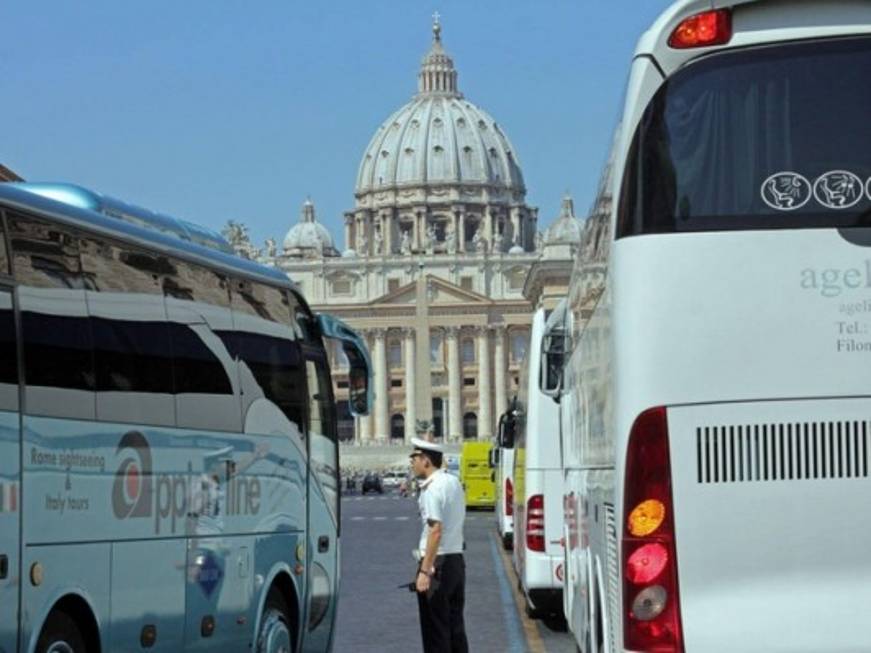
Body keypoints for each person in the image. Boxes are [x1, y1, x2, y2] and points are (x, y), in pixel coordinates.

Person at [409, 437, 468, 653]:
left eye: (414, 458)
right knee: (455, 627)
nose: (411, 463)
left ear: (425, 460)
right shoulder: (453, 482)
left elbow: (435, 531)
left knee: (436, 632)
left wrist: (425, 570)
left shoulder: (431, 489)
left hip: (437, 564)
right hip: (455, 561)